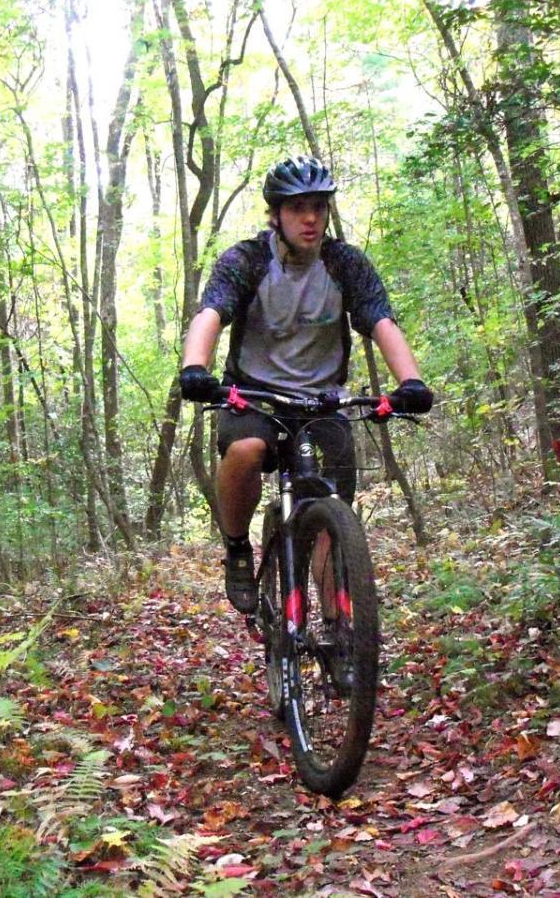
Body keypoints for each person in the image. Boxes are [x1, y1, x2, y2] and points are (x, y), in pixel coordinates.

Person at [179, 156, 433, 613]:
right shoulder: (248, 260)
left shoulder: (344, 264)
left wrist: (410, 382)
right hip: (254, 395)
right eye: (298, 208)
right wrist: (195, 368)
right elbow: (211, 313)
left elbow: (380, 321)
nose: (310, 218)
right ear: (275, 214)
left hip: (323, 401)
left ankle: (345, 639)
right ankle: (237, 547)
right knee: (245, 451)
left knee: (333, 524)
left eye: (319, 206)